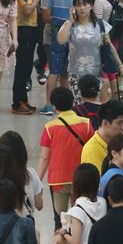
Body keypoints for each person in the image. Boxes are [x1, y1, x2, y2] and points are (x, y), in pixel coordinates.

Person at [37, 87, 94, 228]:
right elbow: (93, 149)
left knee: (60, 220)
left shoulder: (50, 128)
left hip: (58, 181)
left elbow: (44, 157)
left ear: (54, 106)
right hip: (81, 179)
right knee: (80, 217)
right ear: (73, 102)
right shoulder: (86, 124)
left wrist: (37, 182)